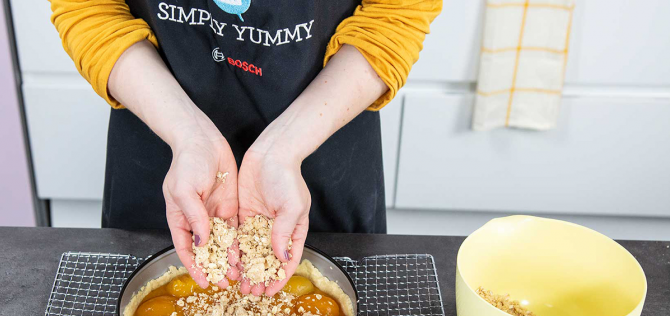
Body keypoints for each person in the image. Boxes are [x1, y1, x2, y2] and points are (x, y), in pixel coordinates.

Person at [51, 0, 441, 295]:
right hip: (164, 138)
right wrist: (188, 135)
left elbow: (396, 14)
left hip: (323, 136)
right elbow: (88, 8)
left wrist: (284, 149)